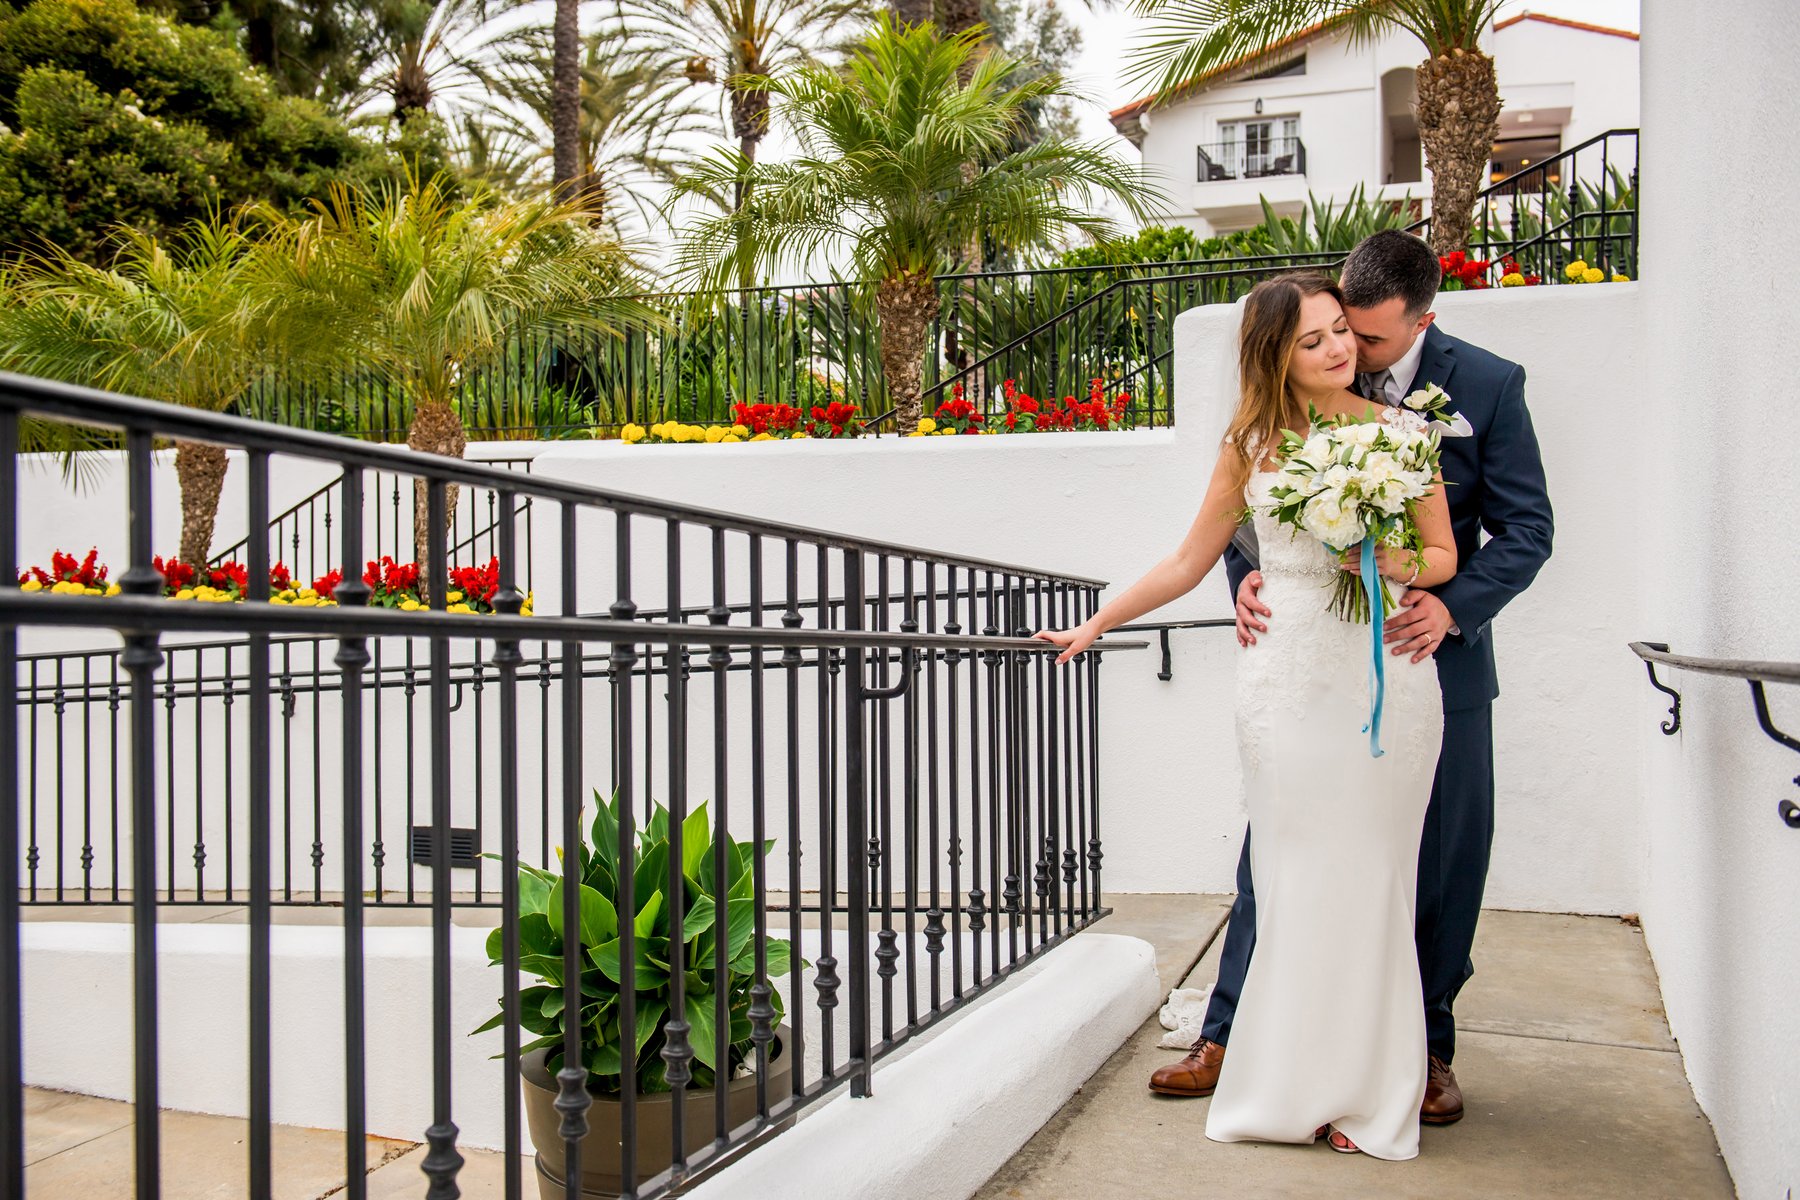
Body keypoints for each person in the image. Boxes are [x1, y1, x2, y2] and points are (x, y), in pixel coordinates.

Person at [1035, 269, 1457, 1159]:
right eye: (1312, 340)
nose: (1337, 349)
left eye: (1340, 330)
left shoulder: (1404, 434)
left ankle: (1368, 1091)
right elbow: (1189, 560)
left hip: (1387, 677)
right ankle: (1290, 1087)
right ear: (1275, 356)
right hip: (1288, 685)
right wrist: (1098, 621)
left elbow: (1443, 554)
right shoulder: (1251, 444)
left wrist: (1391, 563)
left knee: (1376, 879)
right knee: (1294, 878)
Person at [1146, 230, 1554, 1134]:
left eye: (1367, 339)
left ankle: (1425, 1050)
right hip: (1309, 663)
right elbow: (1247, 522)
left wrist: (1447, 605)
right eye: (1334, 331)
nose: (1349, 353)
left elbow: (1526, 530)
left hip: (1428, 656)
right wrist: (1251, 576)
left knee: (1436, 864)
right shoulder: (1289, 402)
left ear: (1421, 323)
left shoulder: (1488, 387)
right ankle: (1231, 1032)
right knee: (1282, 848)